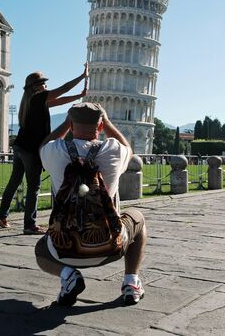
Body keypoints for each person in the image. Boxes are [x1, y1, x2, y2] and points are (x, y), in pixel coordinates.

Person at [35, 102, 147, 306]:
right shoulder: (113, 150)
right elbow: (128, 149)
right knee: (138, 219)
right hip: (110, 246)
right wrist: (108, 123)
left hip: (63, 248)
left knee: (41, 249)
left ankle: (68, 275)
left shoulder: (55, 151)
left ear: (71, 124)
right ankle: (131, 282)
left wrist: (65, 125)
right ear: (100, 126)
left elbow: (44, 145)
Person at [0, 64, 88, 234]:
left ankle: (2, 215)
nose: (45, 85)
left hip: (20, 147)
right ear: (36, 87)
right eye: (43, 83)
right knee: (34, 186)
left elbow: (58, 101)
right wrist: (82, 76)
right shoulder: (38, 98)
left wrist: (80, 95)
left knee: (14, 182)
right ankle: (29, 225)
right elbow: (63, 89)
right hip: (30, 149)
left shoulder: (31, 102)